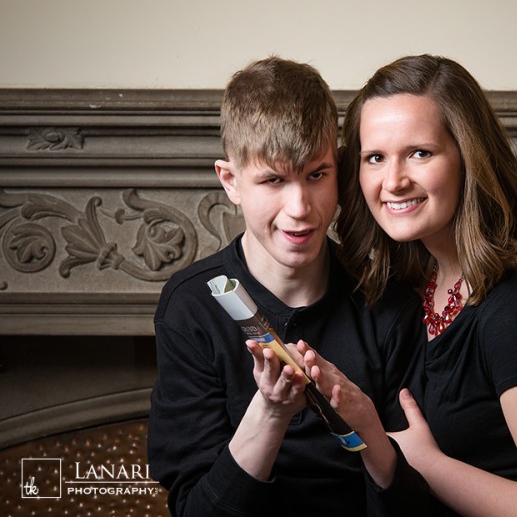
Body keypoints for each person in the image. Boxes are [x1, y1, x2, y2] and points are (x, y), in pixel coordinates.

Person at [336, 54, 517, 516]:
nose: (393, 181)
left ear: (469, 157)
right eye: (375, 158)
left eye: (419, 153)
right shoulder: (422, 272)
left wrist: (426, 464)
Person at [147, 56, 426, 517]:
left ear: (339, 169)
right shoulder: (191, 307)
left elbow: (418, 505)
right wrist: (272, 413)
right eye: (273, 180)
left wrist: (368, 426)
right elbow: (196, 510)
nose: (300, 208)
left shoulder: (387, 302)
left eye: (317, 175)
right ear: (231, 181)